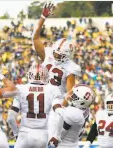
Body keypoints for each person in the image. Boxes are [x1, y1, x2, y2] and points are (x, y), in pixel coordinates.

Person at [32, 3, 81, 140]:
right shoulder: (47, 54)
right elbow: (35, 38)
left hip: (56, 100)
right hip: (41, 97)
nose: (57, 56)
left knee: (51, 136)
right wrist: (42, 18)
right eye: (56, 53)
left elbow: (70, 91)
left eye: (60, 55)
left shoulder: (71, 67)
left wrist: (60, 108)